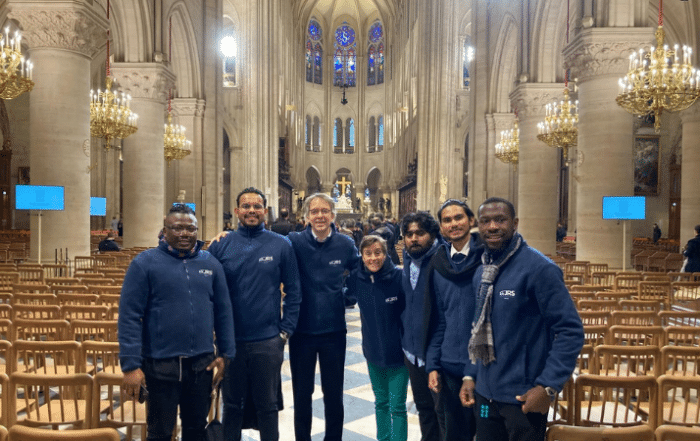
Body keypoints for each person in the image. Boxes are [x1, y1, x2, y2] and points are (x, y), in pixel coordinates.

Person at [460, 197, 584, 441]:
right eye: (486, 221)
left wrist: (548, 386)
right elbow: (477, 329)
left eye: (500, 219)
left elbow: (571, 331)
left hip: (523, 399)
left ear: (515, 223)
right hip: (485, 396)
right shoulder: (481, 271)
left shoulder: (540, 269)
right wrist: (470, 375)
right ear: (479, 227)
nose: (492, 227)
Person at [118, 203, 236, 441]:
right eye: (178, 228)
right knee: (159, 432)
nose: (185, 233)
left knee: (195, 429)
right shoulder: (145, 263)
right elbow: (129, 316)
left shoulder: (210, 264)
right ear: (165, 230)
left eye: (191, 229)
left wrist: (225, 353)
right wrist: (130, 365)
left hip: (201, 365)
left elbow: (224, 311)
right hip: (160, 364)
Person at [207, 187, 302, 441]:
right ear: (237, 211)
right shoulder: (221, 244)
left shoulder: (281, 245)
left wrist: (285, 331)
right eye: (246, 206)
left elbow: (294, 291)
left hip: (268, 340)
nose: (251, 210)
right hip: (230, 343)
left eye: (257, 206)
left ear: (265, 211)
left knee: (267, 407)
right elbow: (200, 276)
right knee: (232, 406)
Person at [287, 193, 360, 441]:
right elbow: (266, 246)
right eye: (315, 211)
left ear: (332, 215)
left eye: (325, 211)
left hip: (333, 332)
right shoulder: (293, 242)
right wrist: (225, 237)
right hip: (301, 332)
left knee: (333, 394)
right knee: (302, 394)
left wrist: (346, 297)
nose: (320, 215)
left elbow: (359, 274)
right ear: (306, 216)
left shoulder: (345, 244)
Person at [426, 200, 483, 441]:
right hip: (449, 365)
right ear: (441, 227)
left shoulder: (488, 260)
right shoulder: (439, 263)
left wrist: (472, 371)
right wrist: (432, 364)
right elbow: (439, 319)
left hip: (484, 367)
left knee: (484, 432)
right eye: (447, 220)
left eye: (458, 217)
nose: (453, 224)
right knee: (453, 434)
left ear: (471, 220)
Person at [345, 235, 408, 441]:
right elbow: (344, 296)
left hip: (398, 354)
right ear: (362, 256)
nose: (373, 258)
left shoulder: (399, 277)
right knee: (381, 403)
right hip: (373, 351)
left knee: (397, 406)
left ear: (385, 253)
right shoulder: (357, 278)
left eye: (378, 252)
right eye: (368, 253)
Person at [399, 211, 443, 441]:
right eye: (409, 234)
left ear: (432, 235)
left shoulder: (443, 261)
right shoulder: (408, 259)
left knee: (443, 415)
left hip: (437, 356)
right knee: (424, 411)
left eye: (420, 233)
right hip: (413, 353)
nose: (414, 238)